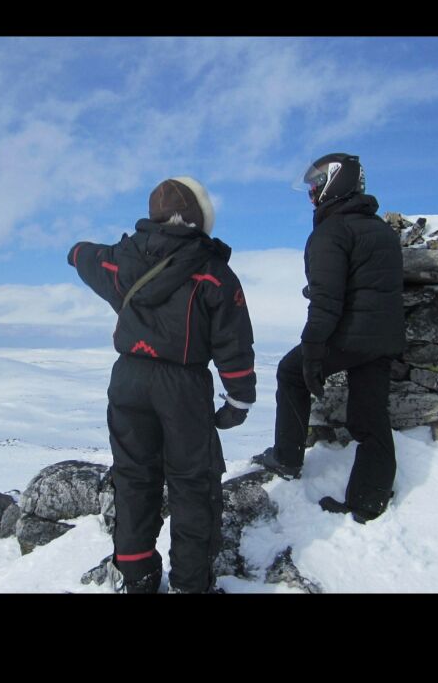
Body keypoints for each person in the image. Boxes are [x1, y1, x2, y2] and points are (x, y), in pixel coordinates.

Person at [68, 177, 256, 593]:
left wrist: (76, 252)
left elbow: (83, 255)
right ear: (199, 218)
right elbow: (234, 340)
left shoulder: (123, 259)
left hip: (128, 381)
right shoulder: (213, 272)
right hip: (182, 387)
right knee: (193, 485)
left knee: (134, 480)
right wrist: (239, 399)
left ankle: (138, 577)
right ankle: (190, 584)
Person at [252, 153, 405, 523]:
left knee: (291, 373)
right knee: (370, 418)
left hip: (349, 335)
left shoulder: (331, 232)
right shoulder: (381, 230)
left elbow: (327, 300)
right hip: (385, 338)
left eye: (315, 186)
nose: (311, 194)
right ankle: (369, 499)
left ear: (334, 184)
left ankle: (286, 458)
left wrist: (313, 349)